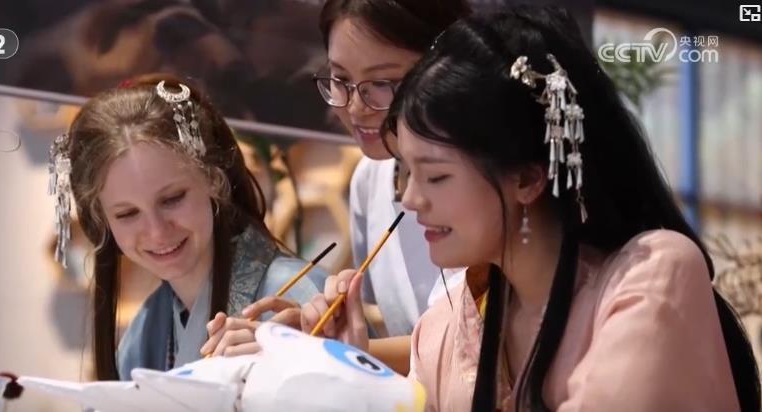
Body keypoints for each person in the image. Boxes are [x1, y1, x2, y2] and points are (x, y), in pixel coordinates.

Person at [302, 6, 760, 411]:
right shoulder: (444, 329)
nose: (410, 199)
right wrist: (350, 369)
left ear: (526, 178)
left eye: (436, 176)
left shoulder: (650, 276)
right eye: (405, 172)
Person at [214, 0, 482, 376]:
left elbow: (479, 342)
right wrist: (317, 339)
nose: (355, 108)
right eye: (340, 80)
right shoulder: (369, 180)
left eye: (382, 84)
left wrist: (322, 350)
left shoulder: (486, 182)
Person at [50, 74, 325, 380]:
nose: (157, 231)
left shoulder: (296, 295)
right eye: (127, 214)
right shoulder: (145, 333)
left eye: (172, 199)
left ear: (214, 179)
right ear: (101, 221)